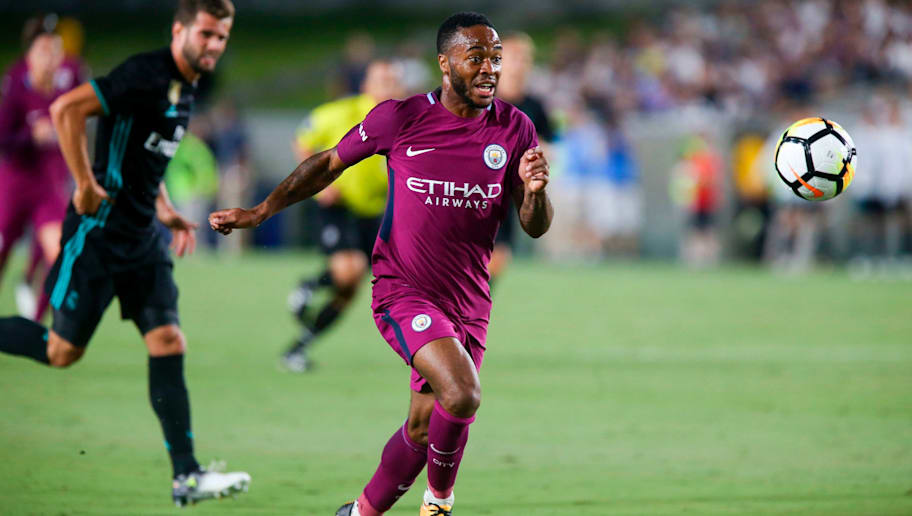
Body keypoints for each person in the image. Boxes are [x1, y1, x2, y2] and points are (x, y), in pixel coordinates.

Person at [209, 12, 553, 516]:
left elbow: (534, 225)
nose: (489, 69)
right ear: (444, 63)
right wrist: (260, 212)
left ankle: (359, 514)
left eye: (495, 59)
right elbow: (328, 163)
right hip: (403, 290)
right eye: (475, 56)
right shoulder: (402, 117)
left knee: (422, 426)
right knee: (461, 394)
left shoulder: (515, 129)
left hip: (470, 302)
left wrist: (538, 193)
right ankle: (439, 504)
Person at [0, 0, 250, 507]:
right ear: (180, 30)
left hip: (142, 240)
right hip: (96, 236)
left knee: (167, 339)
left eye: (222, 37)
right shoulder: (144, 73)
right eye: (206, 34)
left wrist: (166, 208)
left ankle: (188, 476)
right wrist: (85, 184)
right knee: (61, 352)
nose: (214, 46)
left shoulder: (189, 86)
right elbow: (66, 110)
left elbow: (145, 156)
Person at [282, 59, 405, 372]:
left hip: (375, 213)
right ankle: (311, 285)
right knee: (352, 269)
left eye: (393, 80)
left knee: (349, 289)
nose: (387, 86)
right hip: (339, 206)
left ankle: (299, 345)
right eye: (381, 79)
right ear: (365, 85)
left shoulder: (406, 121)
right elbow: (303, 139)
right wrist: (319, 186)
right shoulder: (342, 112)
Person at [0, 15, 83, 321]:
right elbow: (4, 139)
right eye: (44, 50)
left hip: (49, 184)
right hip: (15, 184)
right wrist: (30, 137)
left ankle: (34, 324)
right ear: (30, 54)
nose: (52, 58)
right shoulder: (16, 82)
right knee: (3, 251)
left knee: (61, 257)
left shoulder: (70, 81)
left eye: (56, 50)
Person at [488, 32, 554, 286]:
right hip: (474, 188)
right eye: (514, 57)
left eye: (526, 58)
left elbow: (551, 143)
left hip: (508, 193)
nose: (521, 64)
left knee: (499, 258)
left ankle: (465, 316)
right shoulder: (481, 99)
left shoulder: (535, 105)